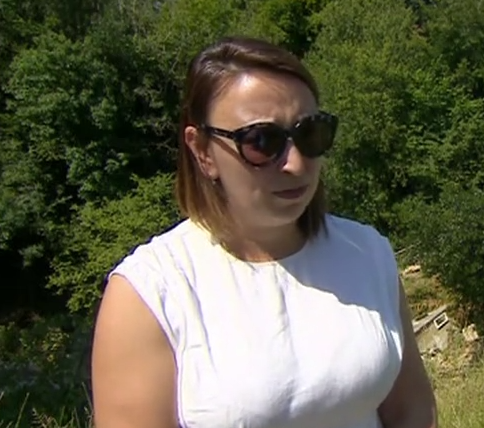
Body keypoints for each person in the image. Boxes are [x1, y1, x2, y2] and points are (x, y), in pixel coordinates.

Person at [90, 36, 437, 428]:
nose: (294, 162)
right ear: (203, 150)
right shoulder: (152, 291)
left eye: (311, 134)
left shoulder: (368, 254)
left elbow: (411, 410)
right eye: (261, 141)